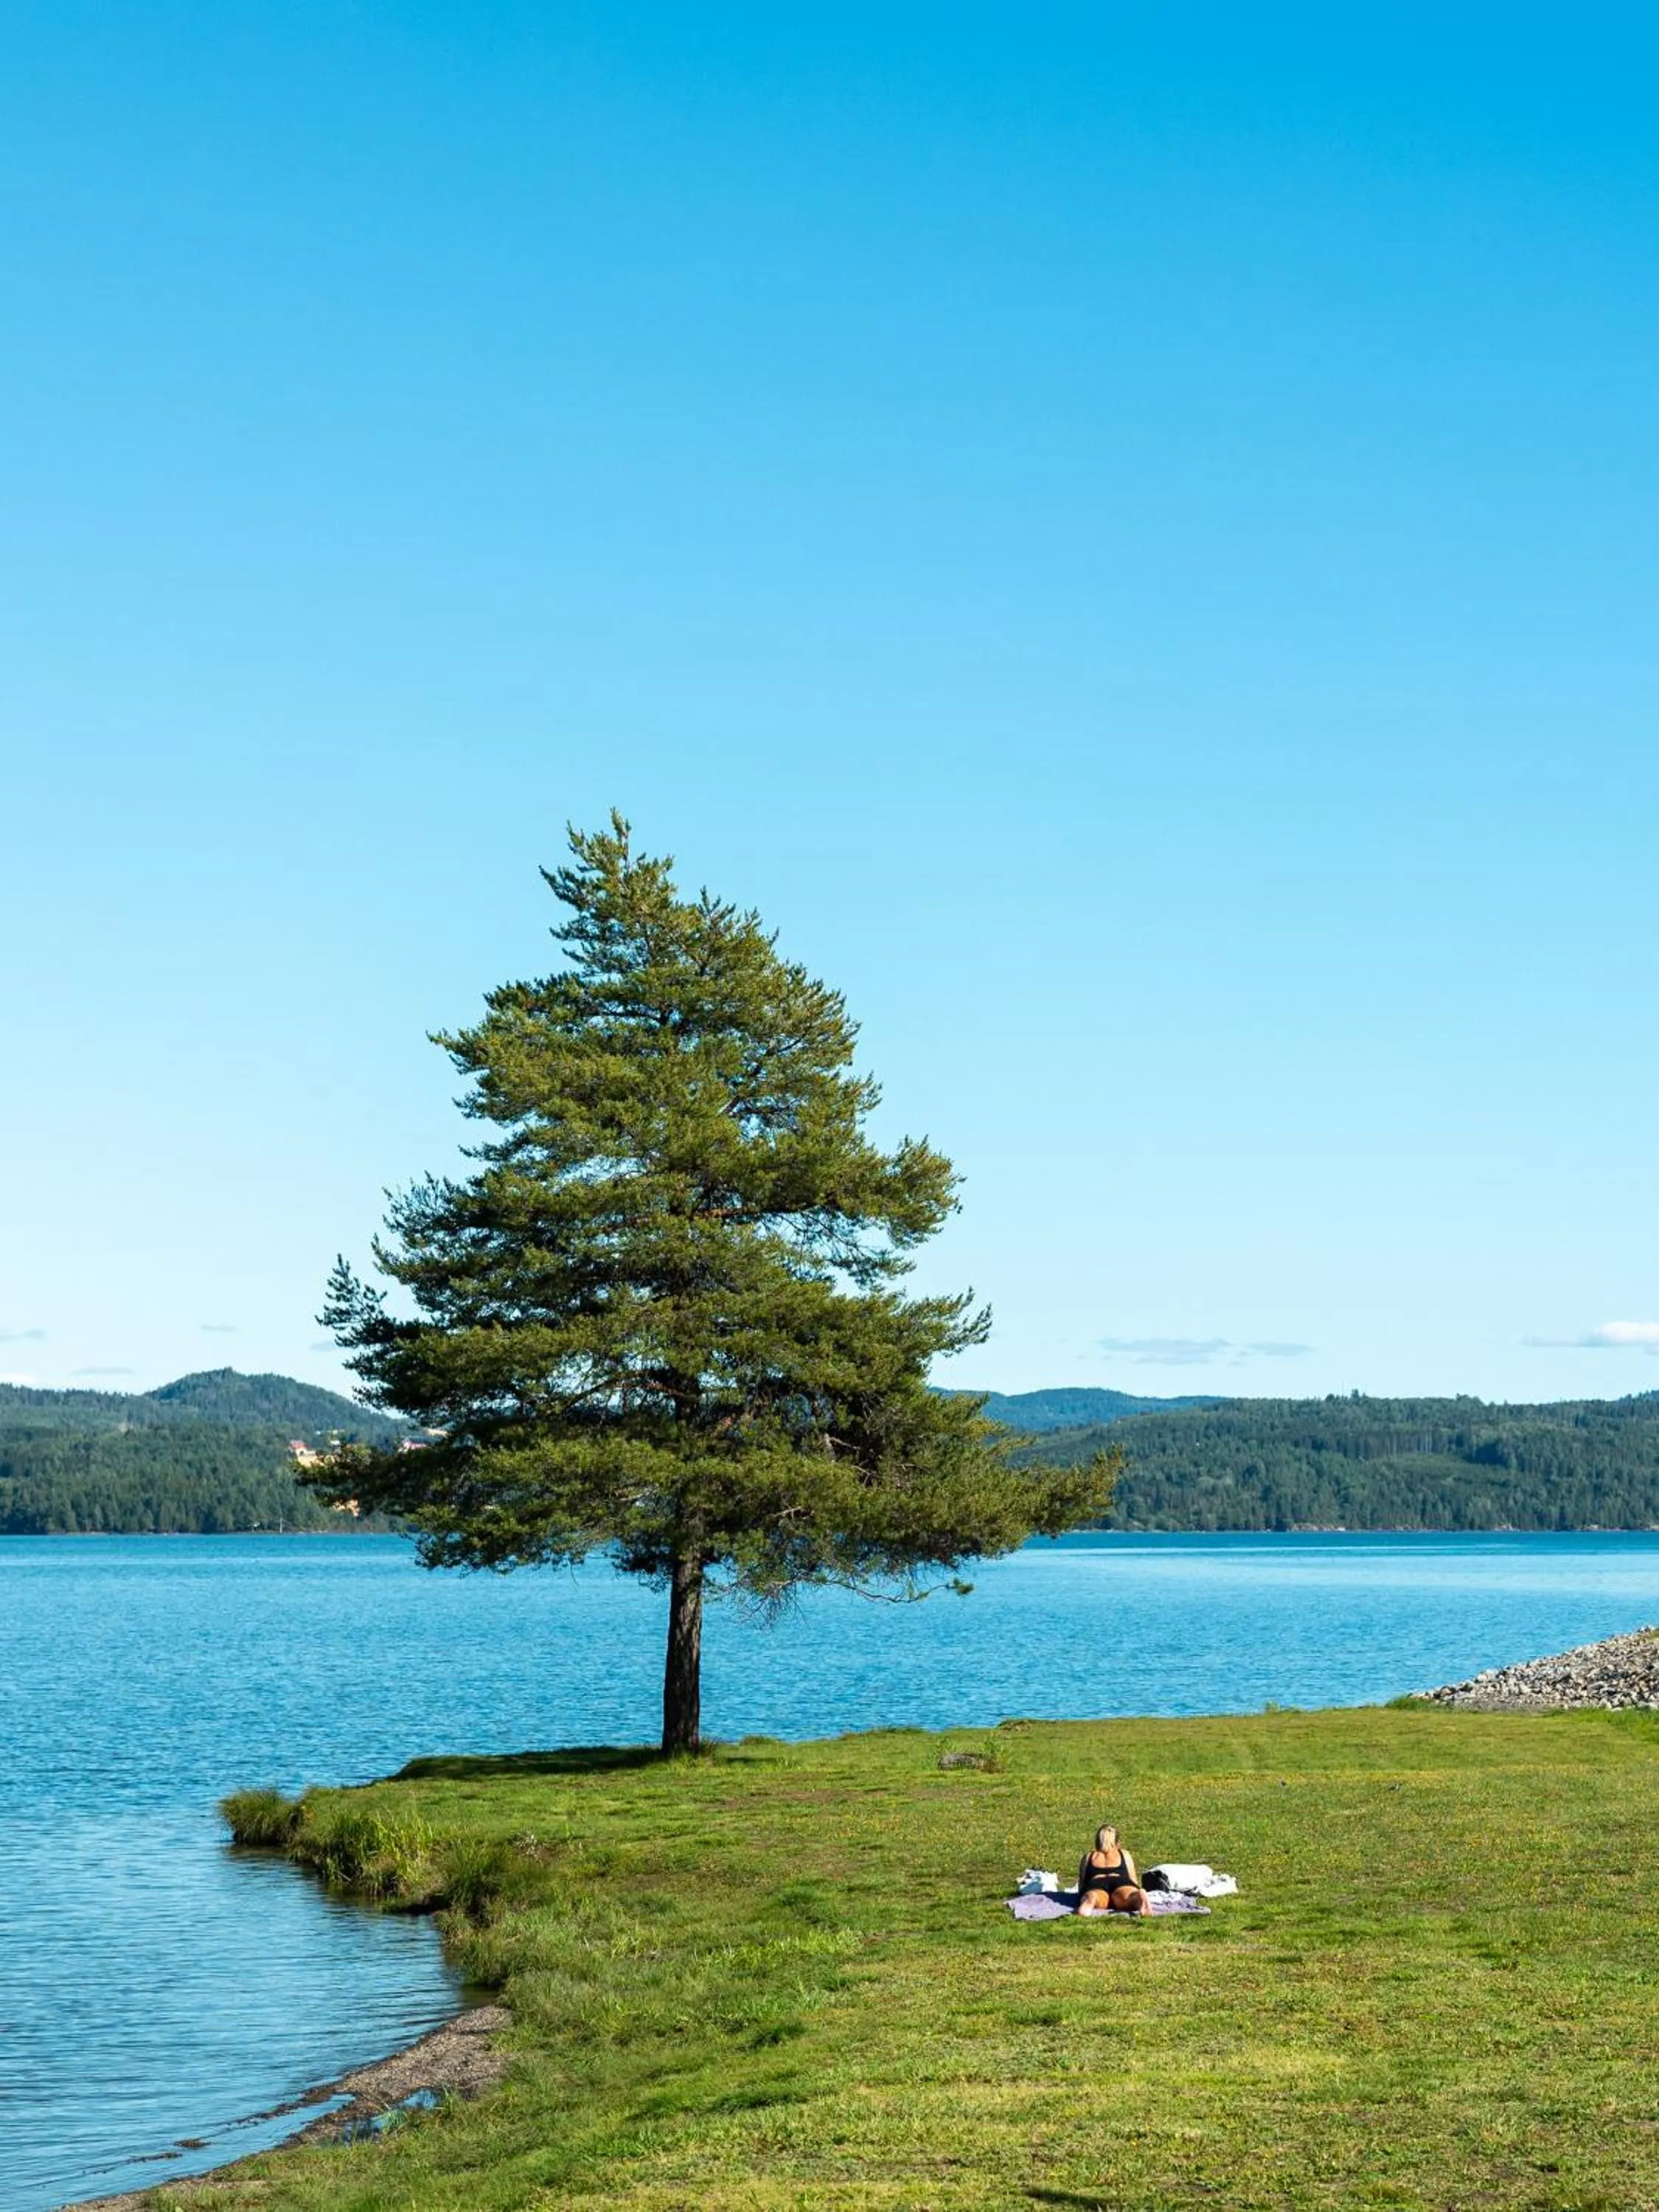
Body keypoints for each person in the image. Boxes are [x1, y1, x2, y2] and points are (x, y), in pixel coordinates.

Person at [1077, 1823, 1151, 1916]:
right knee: (1129, 1898)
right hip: (1120, 1881)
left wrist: (1083, 1896)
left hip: (1096, 1883)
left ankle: (1088, 1904)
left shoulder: (1089, 1857)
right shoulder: (1124, 1854)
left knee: (1093, 1897)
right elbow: (1133, 1879)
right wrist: (1135, 1889)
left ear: (1097, 1841)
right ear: (1117, 1843)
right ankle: (1139, 1897)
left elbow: (1082, 1883)